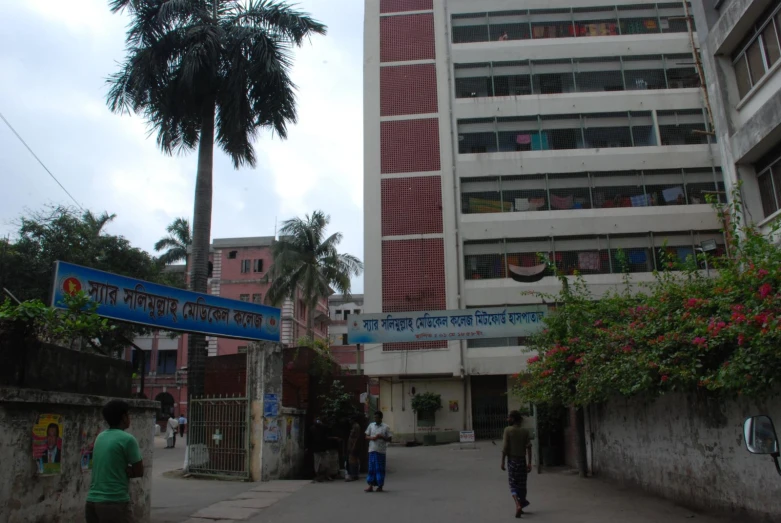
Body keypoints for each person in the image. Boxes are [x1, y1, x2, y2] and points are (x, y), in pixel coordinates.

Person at [85, 400, 144, 523]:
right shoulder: (128, 439)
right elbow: (139, 471)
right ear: (123, 417)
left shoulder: (100, 437)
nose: (129, 418)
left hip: (92, 501)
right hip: (114, 502)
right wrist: (130, 471)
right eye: (128, 415)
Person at [501, 410, 533, 518]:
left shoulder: (508, 430)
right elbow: (529, 447)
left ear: (513, 419)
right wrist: (529, 463)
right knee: (522, 485)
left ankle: (518, 505)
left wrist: (502, 462)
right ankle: (522, 503)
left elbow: (505, 447)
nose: (507, 419)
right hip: (522, 461)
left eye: (509, 417)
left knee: (513, 485)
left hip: (512, 461)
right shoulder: (525, 431)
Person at [364, 411, 392, 493]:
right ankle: (370, 485)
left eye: (377, 417)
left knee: (380, 469)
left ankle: (380, 486)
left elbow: (390, 439)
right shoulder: (371, 425)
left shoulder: (386, 427)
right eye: (375, 417)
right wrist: (372, 438)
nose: (375, 419)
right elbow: (366, 436)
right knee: (371, 468)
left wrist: (382, 437)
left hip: (381, 451)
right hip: (372, 450)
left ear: (381, 418)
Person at [345, 415, 363, 482]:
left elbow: (356, 438)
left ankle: (353, 475)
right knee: (354, 460)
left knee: (352, 460)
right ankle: (355, 475)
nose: (349, 421)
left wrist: (353, 446)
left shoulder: (356, 426)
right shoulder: (354, 426)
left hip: (354, 445)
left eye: (350, 420)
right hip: (352, 445)